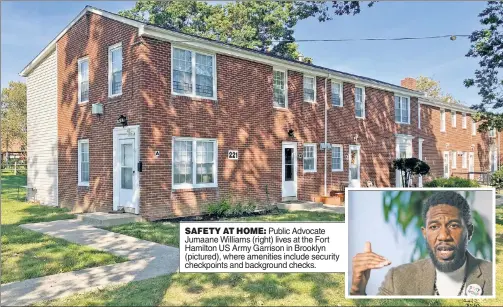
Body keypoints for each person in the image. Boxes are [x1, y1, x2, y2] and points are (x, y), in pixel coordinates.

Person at [350, 191, 493, 296]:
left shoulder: (494, 277)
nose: (443, 236)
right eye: (434, 227)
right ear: (424, 234)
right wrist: (357, 291)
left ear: (469, 231)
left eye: (453, 225)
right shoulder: (398, 279)